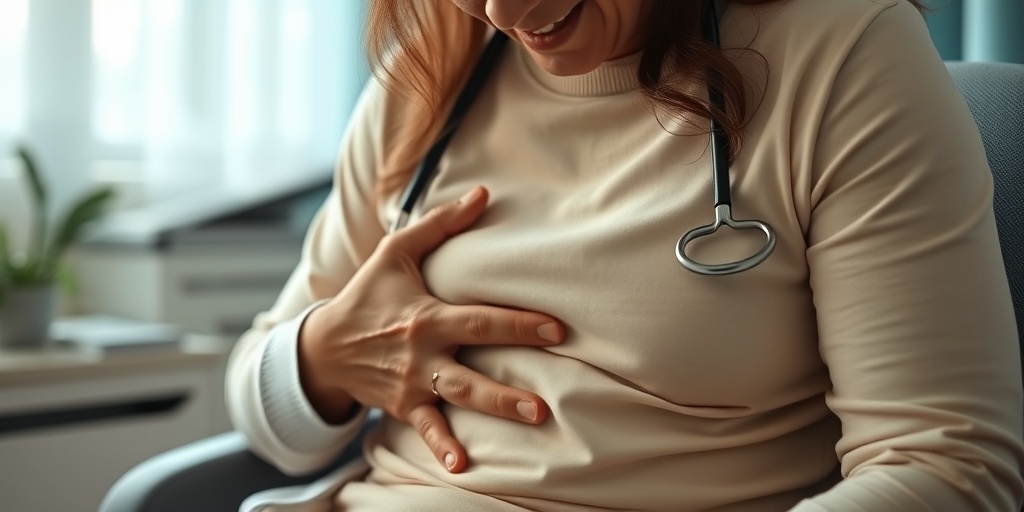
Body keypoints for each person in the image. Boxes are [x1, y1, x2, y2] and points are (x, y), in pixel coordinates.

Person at [226, 0, 1024, 510]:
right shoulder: (432, 66)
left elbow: (944, 467)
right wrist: (324, 355)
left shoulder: (845, 51)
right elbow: (266, 422)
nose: (505, 12)